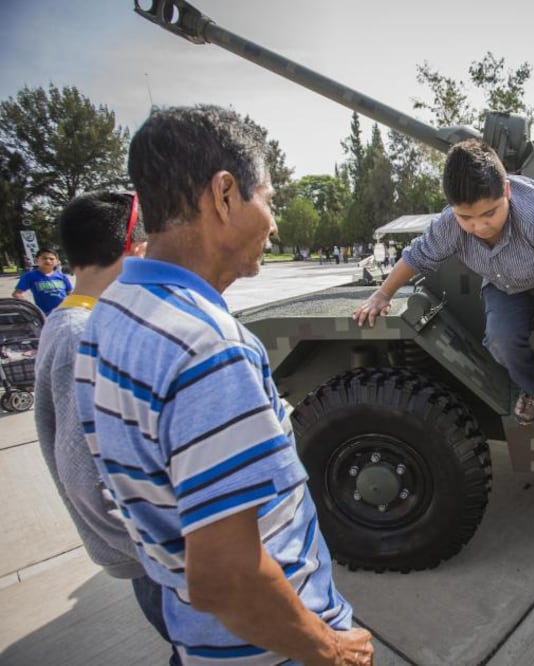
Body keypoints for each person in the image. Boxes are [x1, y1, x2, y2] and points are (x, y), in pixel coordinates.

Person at [73, 105, 373, 666]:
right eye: (270, 199)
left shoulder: (110, 316)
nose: (274, 223)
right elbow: (229, 577)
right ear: (225, 194)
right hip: (271, 650)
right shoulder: (208, 348)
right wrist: (330, 649)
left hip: (200, 636)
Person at [353, 138, 534, 433]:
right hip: (504, 283)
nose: (480, 227)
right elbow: (416, 256)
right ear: (452, 208)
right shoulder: (449, 224)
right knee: (500, 341)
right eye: (466, 218)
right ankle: (531, 388)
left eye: (490, 213)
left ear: (506, 191)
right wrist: (383, 294)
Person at [33, 191, 183, 662]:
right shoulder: (82, 336)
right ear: (136, 250)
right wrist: (170, 554)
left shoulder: (79, 322)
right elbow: (85, 477)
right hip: (159, 566)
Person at [12, 248, 73, 314]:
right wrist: (30, 307)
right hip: (45, 314)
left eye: (51, 259)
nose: (48, 261)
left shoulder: (62, 276)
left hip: (65, 312)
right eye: (44, 258)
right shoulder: (30, 276)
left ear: (57, 262)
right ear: (36, 260)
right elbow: (17, 294)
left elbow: (70, 293)